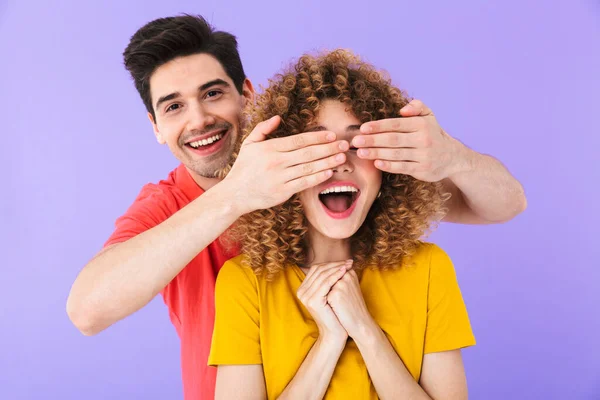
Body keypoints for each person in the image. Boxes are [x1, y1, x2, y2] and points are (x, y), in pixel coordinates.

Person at [66, 14, 525, 400]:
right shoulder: (172, 211)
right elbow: (87, 311)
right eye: (172, 107)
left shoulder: (324, 168)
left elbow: (505, 204)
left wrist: (451, 156)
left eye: (212, 93)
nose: (199, 119)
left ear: (246, 94)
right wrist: (236, 195)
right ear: (155, 126)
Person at [209, 49, 474, 400]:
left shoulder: (428, 269)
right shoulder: (244, 282)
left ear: (388, 167)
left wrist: (364, 329)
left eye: (356, 144)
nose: (340, 162)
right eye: (319, 147)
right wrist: (330, 340)